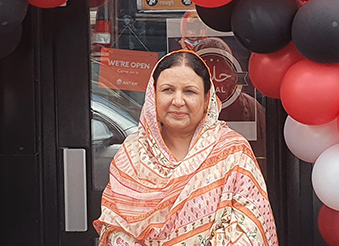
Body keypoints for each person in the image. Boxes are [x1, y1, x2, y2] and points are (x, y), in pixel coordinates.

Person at [95, 50, 278, 245]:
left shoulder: (232, 152)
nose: (178, 101)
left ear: (207, 98)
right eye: (168, 90)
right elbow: (115, 229)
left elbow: (249, 229)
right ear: (153, 95)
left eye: (189, 91)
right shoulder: (132, 154)